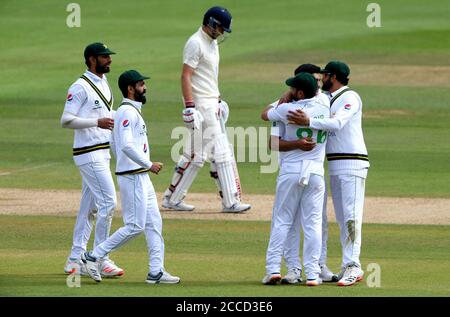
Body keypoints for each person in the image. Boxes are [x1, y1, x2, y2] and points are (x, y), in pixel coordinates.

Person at [81, 70, 180, 284]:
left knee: (154, 223)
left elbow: (116, 144)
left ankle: (156, 271)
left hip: (140, 176)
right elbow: (125, 145)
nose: (145, 88)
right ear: (130, 89)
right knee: (135, 226)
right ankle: (93, 256)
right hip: (133, 176)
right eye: (141, 84)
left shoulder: (130, 112)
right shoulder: (127, 111)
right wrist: (148, 164)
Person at [286, 61, 369, 286]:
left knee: (351, 217)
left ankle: (354, 265)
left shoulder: (350, 97)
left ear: (334, 76)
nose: (321, 80)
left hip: (352, 162)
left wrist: (309, 121)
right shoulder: (328, 99)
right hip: (334, 164)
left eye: (324, 76)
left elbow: (338, 123)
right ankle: (345, 265)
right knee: (342, 218)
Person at [161, 6, 251, 213]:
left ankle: (172, 198)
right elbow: (186, 76)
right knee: (221, 152)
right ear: (210, 22)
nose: (221, 33)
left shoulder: (212, 43)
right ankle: (230, 202)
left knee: (197, 154)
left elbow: (209, 76)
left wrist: (219, 100)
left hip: (212, 103)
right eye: (220, 28)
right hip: (201, 105)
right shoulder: (195, 42)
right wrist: (190, 107)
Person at [269, 63, 336, 283]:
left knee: (282, 220)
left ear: (298, 92)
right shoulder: (325, 103)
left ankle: (272, 270)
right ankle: (313, 275)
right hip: (316, 172)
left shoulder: (286, 110)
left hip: (290, 171)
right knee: (313, 224)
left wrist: (286, 98)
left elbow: (265, 115)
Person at [61, 42, 123, 277]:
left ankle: (75, 259)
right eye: (104, 57)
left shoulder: (104, 82)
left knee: (90, 208)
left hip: (101, 151)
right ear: (91, 59)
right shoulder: (79, 87)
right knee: (108, 203)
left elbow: (104, 115)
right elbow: (66, 120)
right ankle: (98, 258)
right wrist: (95, 123)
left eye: (109, 56)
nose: (109, 60)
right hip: (88, 153)